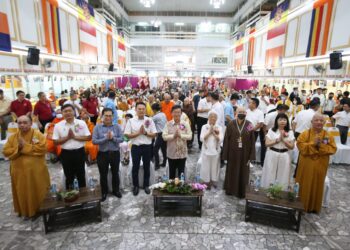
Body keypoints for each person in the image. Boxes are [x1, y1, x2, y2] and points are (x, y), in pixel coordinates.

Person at [3, 115, 50, 218]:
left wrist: (26, 146)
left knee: (39, 188)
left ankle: (41, 209)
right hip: (18, 171)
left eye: (25, 122)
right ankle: (25, 211)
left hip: (36, 170)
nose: (22, 125)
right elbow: (5, 151)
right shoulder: (13, 137)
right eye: (19, 123)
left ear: (31, 123)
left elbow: (43, 149)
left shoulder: (38, 135)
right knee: (22, 190)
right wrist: (18, 148)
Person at [296, 113, 337, 213]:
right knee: (304, 184)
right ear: (311, 122)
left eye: (321, 120)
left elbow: (333, 149)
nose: (319, 122)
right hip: (306, 165)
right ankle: (301, 205)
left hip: (320, 165)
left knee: (317, 185)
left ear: (324, 122)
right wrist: (313, 144)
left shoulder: (328, 136)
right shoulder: (305, 134)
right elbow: (301, 146)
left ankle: (314, 207)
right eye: (316, 120)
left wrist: (321, 146)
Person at [52, 104, 91, 189]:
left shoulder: (81, 123)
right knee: (69, 176)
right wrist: (67, 138)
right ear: (62, 113)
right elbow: (55, 142)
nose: (68, 113)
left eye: (70, 110)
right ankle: (71, 196)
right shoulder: (58, 125)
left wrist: (74, 137)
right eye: (65, 111)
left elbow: (88, 137)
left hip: (80, 152)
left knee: (81, 175)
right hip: (66, 154)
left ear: (74, 112)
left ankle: (83, 196)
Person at [124, 102, 157, 196]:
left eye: (143, 109)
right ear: (136, 110)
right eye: (139, 109)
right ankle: (136, 186)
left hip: (147, 147)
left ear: (145, 110)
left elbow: (154, 134)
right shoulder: (131, 121)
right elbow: (127, 135)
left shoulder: (149, 120)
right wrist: (138, 133)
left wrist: (146, 133)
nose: (141, 110)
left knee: (147, 166)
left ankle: (146, 185)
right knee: (135, 167)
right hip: (136, 147)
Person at [223, 107, 255, 198]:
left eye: (243, 112)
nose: (242, 113)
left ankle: (242, 191)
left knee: (243, 172)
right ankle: (230, 189)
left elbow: (252, 140)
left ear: (246, 113)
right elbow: (226, 140)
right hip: (232, 153)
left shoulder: (249, 125)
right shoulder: (231, 124)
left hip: (245, 153)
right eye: (240, 112)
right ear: (236, 113)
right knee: (232, 170)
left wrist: (251, 156)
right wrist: (225, 154)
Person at [92, 108, 123, 201]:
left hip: (115, 153)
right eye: (106, 115)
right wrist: (106, 138)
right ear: (102, 116)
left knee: (115, 173)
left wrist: (113, 138)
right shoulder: (97, 127)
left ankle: (116, 190)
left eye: (110, 116)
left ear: (112, 116)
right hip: (102, 154)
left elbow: (122, 139)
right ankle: (104, 192)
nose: (108, 118)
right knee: (103, 174)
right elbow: (94, 141)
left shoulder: (117, 126)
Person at [261, 113, 295, 188]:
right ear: (276, 121)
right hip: (272, 153)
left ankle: (280, 191)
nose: (282, 121)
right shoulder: (271, 130)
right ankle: (267, 189)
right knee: (270, 173)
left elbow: (292, 146)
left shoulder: (290, 132)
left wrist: (283, 140)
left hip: (284, 154)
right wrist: (277, 140)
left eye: (284, 120)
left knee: (283, 175)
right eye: (280, 119)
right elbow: (267, 143)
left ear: (287, 121)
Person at [163, 105, 192, 179]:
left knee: (181, 173)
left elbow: (190, 136)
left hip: (182, 153)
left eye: (178, 112)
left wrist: (181, 135)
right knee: (171, 173)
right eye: (175, 112)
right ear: (171, 113)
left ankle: (181, 188)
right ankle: (171, 188)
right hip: (171, 153)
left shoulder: (185, 124)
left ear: (181, 113)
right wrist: (173, 136)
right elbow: (164, 137)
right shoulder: (168, 124)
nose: (176, 114)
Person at [200, 111, 223, 189]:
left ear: (216, 118)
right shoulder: (204, 126)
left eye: (214, 117)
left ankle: (213, 181)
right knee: (206, 166)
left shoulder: (219, 127)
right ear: (208, 118)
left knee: (215, 166)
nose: (213, 118)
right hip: (206, 150)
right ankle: (207, 181)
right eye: (211, 116)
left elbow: (220, 139)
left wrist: (214, 133)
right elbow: (201, 138)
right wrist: (209, 132)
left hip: (215, 150)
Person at [246, 98, 265, 166]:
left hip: (254, 132)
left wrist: (252, 129)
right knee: (245, 146)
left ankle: (249, 161)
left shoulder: (260, 112)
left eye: (250, 102)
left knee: (251, 146)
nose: (249, 104)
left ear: (254, 104)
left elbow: (261, 124)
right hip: (245, 131)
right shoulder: (247, 111)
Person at [152, 103, 167, 170]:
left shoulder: (155, 117)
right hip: (165, 133)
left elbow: (149, 123)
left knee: (155, 150)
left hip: (160, 134)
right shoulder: (163, 114)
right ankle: (164, 162)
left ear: (154, 110)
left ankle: (157, 165)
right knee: (163, 149)